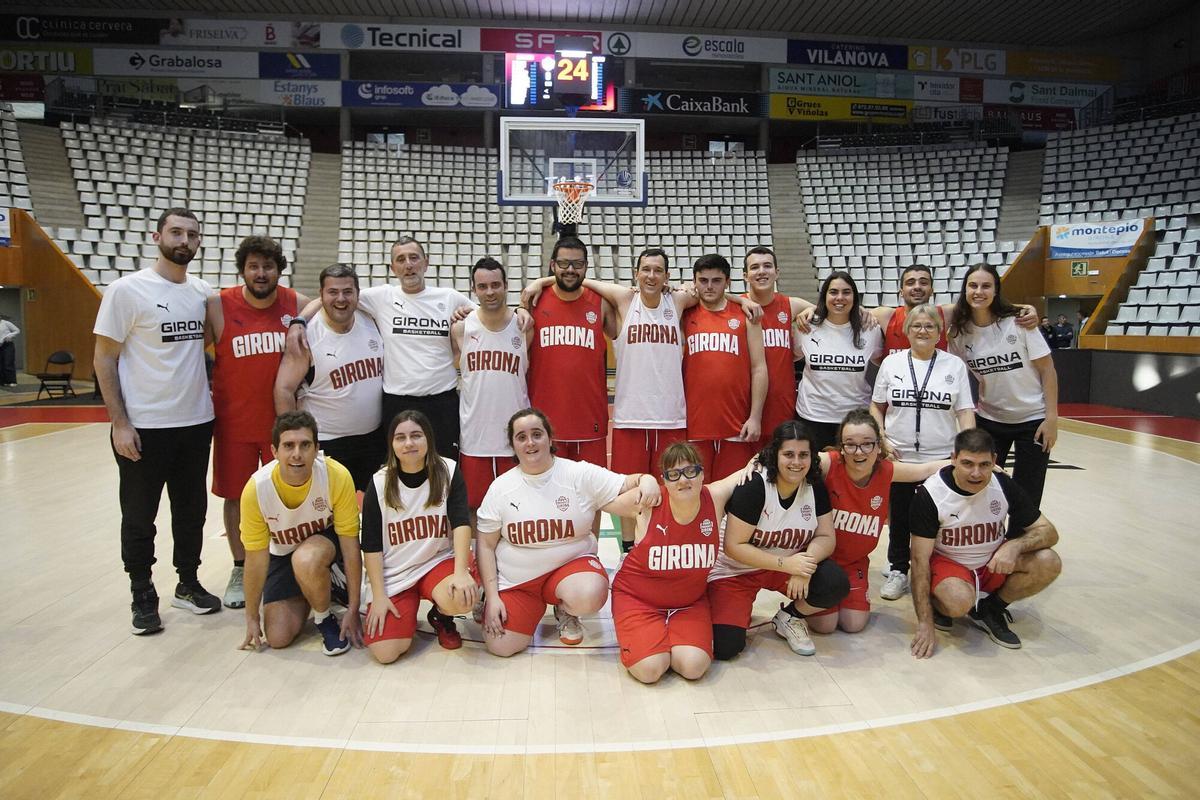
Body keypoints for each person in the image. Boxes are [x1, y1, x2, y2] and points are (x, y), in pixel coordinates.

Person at [93, 207, 220, 635]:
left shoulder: (202, 292)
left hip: (196, 421)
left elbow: (203, 347)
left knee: (191, 511)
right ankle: (142, 591)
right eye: (176, 232)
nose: (184, 241)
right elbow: (104, 357)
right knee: (139, 514)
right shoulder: (126, 291)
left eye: (192, 235)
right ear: (157, 236)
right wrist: (119, 422)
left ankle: (187, 582)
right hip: (144, 426)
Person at [475, 408, 660, 657]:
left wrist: (647, 479)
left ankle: (566, 609)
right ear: (513, 445)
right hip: (519, 580)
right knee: (501, 646)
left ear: (550, 439)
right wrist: (495, 596)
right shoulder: (501, 488)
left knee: (590, 593)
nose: (530, 442)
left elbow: (630, 481)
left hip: (569, 569)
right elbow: (485, 545)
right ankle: (510, 602)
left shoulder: (577, 473)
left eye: (537, 434)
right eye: (521, 437)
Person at [289, 236, 473, 460]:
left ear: (426, 262)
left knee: (444, 466)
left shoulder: (450, 298)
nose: (408, 265)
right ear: (392, 268)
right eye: (401, 259)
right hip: (397, 401)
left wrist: (520, 311)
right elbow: (331, 295)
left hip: (441, 401)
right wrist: (299, 321)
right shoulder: (381, 297)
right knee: (399, 470)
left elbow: (486, 315)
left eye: (414, 258)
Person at [206, 235, 307, 609]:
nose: (261, 273)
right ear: (243, 270)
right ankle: (240, 565)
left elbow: (330, 306)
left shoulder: (295, 302)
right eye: (253, 266)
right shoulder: (218, 305)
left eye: (268, 266)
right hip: (234, 424)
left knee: (290, 495)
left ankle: (287, 566)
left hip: (283, 426)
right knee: (236, 498)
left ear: (279, 270)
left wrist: (298, 321)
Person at [909, 428, 1062, 657]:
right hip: (950, 565)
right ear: (953, 459)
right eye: (967, 463)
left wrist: (1015, 545)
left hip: (991, 562)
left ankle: (991, 609)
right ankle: (941, 604)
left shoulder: (1002, 484)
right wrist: (924, 622)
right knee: (959, 601)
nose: (976, 473)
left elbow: (1049, 532)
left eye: (984, 465)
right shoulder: (931, 494)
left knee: (1049, 561)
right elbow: (919, 560)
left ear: (994, 461)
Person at [707, 421, 850, 659]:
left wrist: (804, 565)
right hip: (735, 572)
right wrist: (787, 565)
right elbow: (733, 546)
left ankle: (789, 617)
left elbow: (826, 537)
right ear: (775, 455)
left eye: (804, 454)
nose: (796, 462)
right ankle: (727, 609)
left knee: (833, 583)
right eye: (789, 454)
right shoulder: (755, 486)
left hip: (783, 568)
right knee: (726, 647)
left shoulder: (814, 486)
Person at [611, 442, 747, 683]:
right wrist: (642, 479)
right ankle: (652, 643)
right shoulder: (648, 502)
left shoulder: (714, 498)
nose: (683, 480)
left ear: (702, 473)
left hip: (689, 603)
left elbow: (755, 466)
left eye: (690, 471)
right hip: (638, 599)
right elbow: (600, 495)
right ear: (664, 480)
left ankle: (668, 638)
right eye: (673, 475)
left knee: (693, 667)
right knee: (651, 670)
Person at [806, 409, 947, 635]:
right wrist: (754, 465)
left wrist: (977, 467)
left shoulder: (887, 471)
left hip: (855, 563)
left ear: (878, 446)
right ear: (841, 446)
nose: (858, 451)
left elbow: (927, 469)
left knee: (854, 625)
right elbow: (786, 456)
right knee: (825, 626)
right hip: (822, 561)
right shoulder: (828, 464)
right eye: (850, 444)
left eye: (867, 444)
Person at [871, 304, 976, 601]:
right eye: (916, 325)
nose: (922, 330)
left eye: (929, 326)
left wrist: (965, 448)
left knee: (937, 518)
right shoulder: (892, 364)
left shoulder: (953, 366)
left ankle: (933, 568)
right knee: (900, 518)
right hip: (900, 457)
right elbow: (876, 407)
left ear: (939, 331)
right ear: (906, 330)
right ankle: (898, 569)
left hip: (941, 457)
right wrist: (881, 440)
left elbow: (965, 411)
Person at [238, 411, 362, 656]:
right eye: (288, 446)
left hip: (325, 547)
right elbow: (255, 558)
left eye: (305, 445)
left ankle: (324, 618)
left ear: (316, 449)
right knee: (278, 637)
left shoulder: (336, 475)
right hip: (283, 555)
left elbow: (350, 546)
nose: (297, 453)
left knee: (306, 559)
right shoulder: (256, 490)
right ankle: (317, 589)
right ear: (274, 451)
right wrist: (252, 616)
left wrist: (354, 608)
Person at [360, 410, 478, 663]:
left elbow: (460, 522)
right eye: (400, 437)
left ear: (428, 440)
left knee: (462, 597)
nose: (409, 443)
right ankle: (406, 611)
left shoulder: (448, 470)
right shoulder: (379, 483)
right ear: (392, 444)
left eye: (416, 435)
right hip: (396, 571)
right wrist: (379, 596)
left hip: (436, 561)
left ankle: (441, 615)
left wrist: (461, 571)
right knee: (386, 653)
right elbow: (370, 545)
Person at [948, 263, 1059, 505]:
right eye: (973, 286)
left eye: (986, 286)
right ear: (964, 290)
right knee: (982, 489)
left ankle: (1021, 539)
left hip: (1032, 420)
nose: (979, 291)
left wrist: (1051, 419)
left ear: (996, 291)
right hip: (990, 420)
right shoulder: (958, 333)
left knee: (1027, 496)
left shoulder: (1019, 323)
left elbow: (1048, 370)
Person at [274, 263, 384, 491]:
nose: (341, 299)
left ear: (358, 295)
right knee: (331, 517)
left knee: (370, 514)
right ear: (321, 295)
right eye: (333, 292)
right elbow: (283, 389)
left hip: (373, 439)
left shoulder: (371, 319)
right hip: (327, 442)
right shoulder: (306, 336)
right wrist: (296, 439)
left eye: (347, 292)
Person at [523, 236, 616, 467]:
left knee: (591, 495)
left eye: (578, 264)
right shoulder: (534, 301)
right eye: (563, 264)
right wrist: (540, 284)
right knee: (547, 492)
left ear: (586, 266)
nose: (570, 270)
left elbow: (629, 304)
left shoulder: (601, 303)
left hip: (589, 417)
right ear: (552, 265)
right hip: (544, 419)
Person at [451, 257, 531, 516]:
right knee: (475, 507)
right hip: (475, 436)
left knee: (517, 506)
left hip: (514, 437)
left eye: (496, 285)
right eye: (483, 286)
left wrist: (523, 310)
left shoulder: (524, 327)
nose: (490, 292)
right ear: (474, 289)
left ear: (506, 285)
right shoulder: (461, 328)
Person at [683, 253, 767, 479]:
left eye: (716, 281)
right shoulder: (684, 312)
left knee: (735, 493)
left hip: (736, 425)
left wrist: (755, 416)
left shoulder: (746, 314)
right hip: (693, 424)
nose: (709, 287)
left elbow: (759, 368)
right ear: (694, 281)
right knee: (696, 493)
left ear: (727, 282)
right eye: (703, 280)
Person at [794, 271, 883, 453]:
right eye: (833, 292)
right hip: (813, 416)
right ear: (824, 295)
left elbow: (881, 362)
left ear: (854, 296)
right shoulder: (806, 327)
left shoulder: (870, 330)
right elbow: (791, 357)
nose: (839, 297)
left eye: (846, 292)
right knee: (816, 474)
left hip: (856, 418)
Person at [742, 247, 817, 443]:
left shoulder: (791, 305)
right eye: (755, 267)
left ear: (777, 272)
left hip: (781, 402)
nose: (761, 271)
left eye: (767, 266)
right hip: (744, 404)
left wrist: (808, 312)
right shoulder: (737, 306)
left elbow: (831, 309)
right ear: (745, 276)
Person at [0, 314, 18, 386]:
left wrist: (9, 336)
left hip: (7, 345)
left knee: (8, 363)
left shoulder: (6, 323)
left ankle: (12, 381)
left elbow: (17, 330)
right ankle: (3, 381)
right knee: (1, 364)